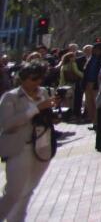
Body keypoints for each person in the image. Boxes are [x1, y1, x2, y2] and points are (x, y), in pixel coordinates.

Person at [0, 61, 56, 220]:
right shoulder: (11, 97)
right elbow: (6, 124)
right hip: (20, 148)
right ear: (23, 78)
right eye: (33, 78)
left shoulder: (43, 92)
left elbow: (44, 116)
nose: (37, 82)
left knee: (29, 189)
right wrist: (36, 109)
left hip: (41, 147)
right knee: (14, 192)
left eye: (40, 78)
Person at [82, 44, 101, 128]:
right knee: (89, 104)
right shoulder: (90, 59)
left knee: (96, 104)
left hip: (96, 83)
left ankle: (98, 122)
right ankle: (94, 123)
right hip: (88, 83)